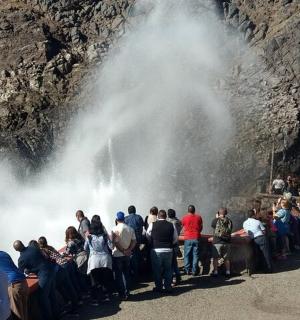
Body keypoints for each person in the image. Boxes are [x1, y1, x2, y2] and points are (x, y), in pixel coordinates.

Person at [13, 240, 58, 320]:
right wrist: (30, 269)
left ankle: (50, 318)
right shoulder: (33, 247)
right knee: (52, 294)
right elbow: (39, 260)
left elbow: (20, 273)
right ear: (23, 243)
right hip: (51, 270)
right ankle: (57, 314)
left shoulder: (21, 259)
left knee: (42, 298)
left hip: (44, 275)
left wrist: (28, 271)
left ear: (16, 250)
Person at [38, 237, 79, 314]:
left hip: (59, 269)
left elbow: (49, 261)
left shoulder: (43, 251)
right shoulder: (50, 247)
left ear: (40, 244)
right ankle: (76, 303)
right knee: (69, 286)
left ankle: (71, 307)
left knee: (61, 289)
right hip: (65, 264)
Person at [84, 215, 113, 306]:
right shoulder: (104, 236)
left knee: (95, 281)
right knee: (105, 280)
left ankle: (96, 300)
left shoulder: (89, 237)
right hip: (105, 260)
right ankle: (106, 297)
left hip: (94, 261)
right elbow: (111, 246)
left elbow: (85, 248)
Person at [147, 210, 178, 293]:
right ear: (166, 216)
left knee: (157, 270)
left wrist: (152, 243)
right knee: (168, 269)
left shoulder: (152, 225)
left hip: (156, 250)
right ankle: (168, 287)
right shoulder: (171, 225)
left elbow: (148, 235)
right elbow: (175, 238)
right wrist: (170, 244)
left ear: (158, 216)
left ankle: (159, 287)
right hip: (168, 250)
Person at [112, 211, 136, 300]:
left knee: (118, 275)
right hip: (127, 255)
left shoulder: (114, 229)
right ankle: (127, 292)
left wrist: (122, 250)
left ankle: (122, 294)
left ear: (117, 219)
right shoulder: (130, 229)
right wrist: (129, 250)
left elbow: (115, 242)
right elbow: (134, 241)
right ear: (124, 219)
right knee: (126, 273)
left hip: (118, 255)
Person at [0, 251, 29, 320]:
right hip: (23, 282)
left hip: (13, 285)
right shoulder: (4, 253)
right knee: (24, 312)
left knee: (18, 315)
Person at [211, 208, 233, 278]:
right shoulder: (229, 221)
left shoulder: (216, 220)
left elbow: (213, 226)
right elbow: (230, 229)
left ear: (218, 213)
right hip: (227, 242)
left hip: (217, 241)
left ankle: (215, 271)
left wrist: (216, 218)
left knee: (215, 258)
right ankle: (228, 272)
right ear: (226, 213)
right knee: (227, 258)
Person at [181, 205, 203, 276]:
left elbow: (182, 226)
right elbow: (201, 227)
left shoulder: (184, 218)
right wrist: (198, 232)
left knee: (186, 255)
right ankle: (194, 271)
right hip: (196, 237)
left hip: (187, 238)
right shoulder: (199, 217)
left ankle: (187, 270)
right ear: (194, 210)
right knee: (195, 255)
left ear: (188, 210)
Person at [124, 205, 144, 280]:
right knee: (137, 255)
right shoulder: (139, 217)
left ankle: (132, 274)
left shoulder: (125, 219)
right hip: (137, 240)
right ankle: (138, 273)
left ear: (128, 211)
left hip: (129, 241)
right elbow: (142, 228)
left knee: (131, 257)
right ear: (135, 211)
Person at [167, 208, 182, 284]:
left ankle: (173, 279)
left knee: (171, 263)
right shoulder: (178, 221)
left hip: (171, 244)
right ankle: (178, 276)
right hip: (176, 243)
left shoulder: (169, 222)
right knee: (174, 262)